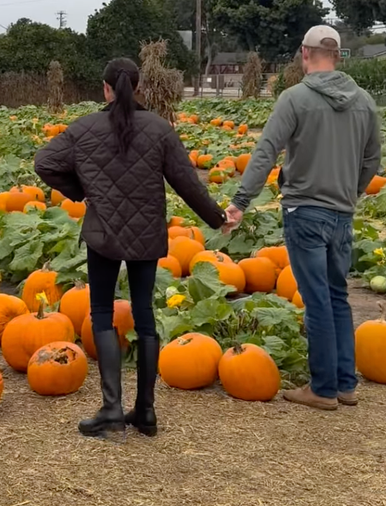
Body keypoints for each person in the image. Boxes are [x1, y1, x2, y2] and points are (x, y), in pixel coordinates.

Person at [34, 57, 227, 438]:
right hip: (146, 233)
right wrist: (218, 218)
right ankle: (146, 411)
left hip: (103, 232)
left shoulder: (84, 128)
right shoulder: (159, 129)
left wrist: (82, 192)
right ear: (136, 88)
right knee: (145, 316)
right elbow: (187, 183)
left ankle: (110, 409)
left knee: (103, 314)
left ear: (105, 88)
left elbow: (44, 162)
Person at [225, 26, 382, 411]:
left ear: (304, 53)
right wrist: (353, 192)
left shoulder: (294, 98)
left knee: (317, 301)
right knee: (338, 295)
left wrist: (241, 200)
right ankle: (346, 384)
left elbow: (265, 152)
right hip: (343, 214)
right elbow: (372, 161)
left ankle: (324, 388)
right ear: (339, 54)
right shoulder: (364, 101)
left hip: (305, 212)